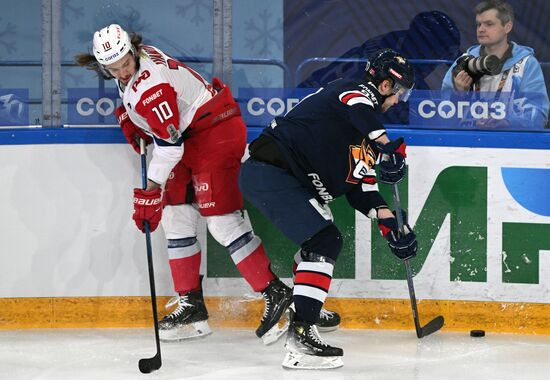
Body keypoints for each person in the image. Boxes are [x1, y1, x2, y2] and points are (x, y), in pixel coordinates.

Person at [74, 24, 340, 345]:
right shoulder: (138, 64)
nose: (122, 72)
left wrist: (151, 189)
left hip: (215, 131)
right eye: (113, 69)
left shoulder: (150, 87)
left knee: (221, 221)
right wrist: (134, 119)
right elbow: (164, 123)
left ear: (133, 50)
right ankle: (192, 306)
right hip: (191, 136)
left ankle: (276, 293)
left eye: (125, 64)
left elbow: (170, 146)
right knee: (176, 218)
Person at [238, 48, 418, 369]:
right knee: (325, 240)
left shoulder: (366, 135)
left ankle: (304, 304)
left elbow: (363, 192)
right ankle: (301, 335)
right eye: (399, 93)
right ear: (386, 86)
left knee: (321, 240)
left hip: (286, 178)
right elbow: (358, 106)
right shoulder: (352, 92)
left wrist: (390, 226)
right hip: (270, 169)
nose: (398, 102)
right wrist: (386, 144)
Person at [442, 0, 549, 128]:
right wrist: (458, 96)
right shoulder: (464, 62)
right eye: (478, 24)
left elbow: (539, 114)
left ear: (507, 27)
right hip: (468, 143)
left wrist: (508, 122)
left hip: (511, 144)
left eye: (489, 24)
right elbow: (441, 113)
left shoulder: (526, 64)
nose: (481, 29)